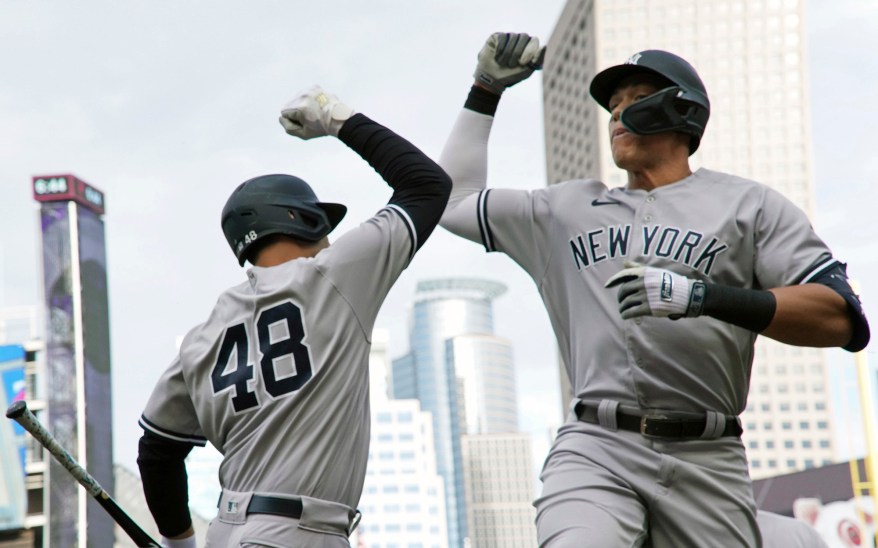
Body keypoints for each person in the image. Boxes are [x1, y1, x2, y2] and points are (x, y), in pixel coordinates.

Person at [438, 32, 870, 547]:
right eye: (613, 106)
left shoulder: (749, 205)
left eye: (636, 100)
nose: (617, 115)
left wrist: (703, 297)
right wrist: (485, 89)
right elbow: (452, 200)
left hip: (708, 456)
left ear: (683, 112)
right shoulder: (564, 210)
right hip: (597, 443)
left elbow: (839, 318)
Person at [136, 85, 451, 547]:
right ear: (302, 221)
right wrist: (338, 119)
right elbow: (428, 185)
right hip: (296, 532)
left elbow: (158, 451)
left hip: (228, 531)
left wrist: (179, 543)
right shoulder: (333, 275)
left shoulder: (201, 337)